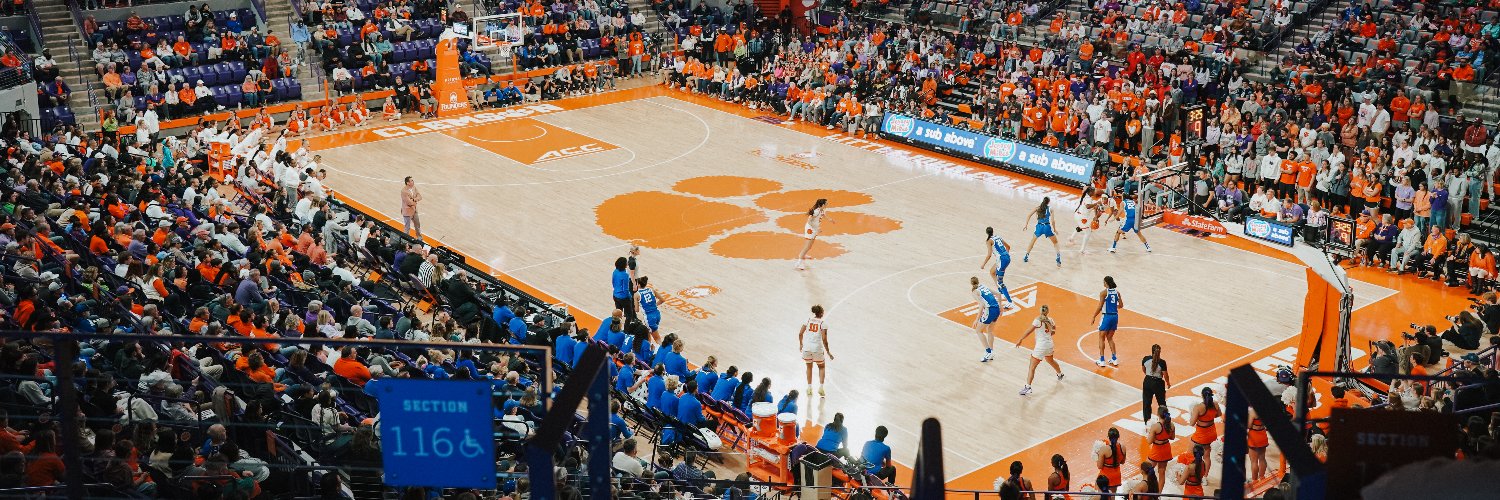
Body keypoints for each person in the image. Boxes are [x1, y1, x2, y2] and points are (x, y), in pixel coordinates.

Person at [1015, 304, 1064, 396]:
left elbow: (1028, 331)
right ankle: (1060, 374)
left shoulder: (1037, 320)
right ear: (1048, 311)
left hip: (1041, 346)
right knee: (1050, 360)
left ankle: (1028, 387)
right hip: (1049, 344)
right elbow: (1053, 332)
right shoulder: (1051, 320)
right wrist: (1046, 335)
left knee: (1032, 367)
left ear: (1040, 311)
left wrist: (1021, 339)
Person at [798, 304, 833, 397]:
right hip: (817, 348)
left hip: (806, 348)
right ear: (821, 313)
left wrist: (801, 344)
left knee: (809, 367)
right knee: (821, 367)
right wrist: (828, 352)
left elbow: (800, 333)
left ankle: (809, 388)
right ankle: (821, 387)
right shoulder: (823, 324)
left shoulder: (807, 320)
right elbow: (824, 339)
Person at [1090, 276, 1123, 367]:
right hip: (1115, 316)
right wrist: (1113, 307)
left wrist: (1094, 316)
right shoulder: (1117, 292)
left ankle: (1102, 360)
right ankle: (1114, 359)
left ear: (1106, 283)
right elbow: (1121, 305)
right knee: (1110, 338)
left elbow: (1100, 307)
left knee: (1101, 337)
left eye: (1104, 282)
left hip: (1107, 317)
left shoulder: (1103, 293)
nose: (1103, 283)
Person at [1022, 196, 1063, 267]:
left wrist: (1026, 225)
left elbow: (1028, 215)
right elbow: (1053, 221)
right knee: (1055, 242)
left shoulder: (1037, 208)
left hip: (1039, 227)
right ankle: (1058, 257)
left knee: (1032, 242)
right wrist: (1054, 229)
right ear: (1048, 202)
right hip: (1047, 227)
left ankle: (1026, 256)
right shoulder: (1051, 209)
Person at [980, 227, 1015, 305]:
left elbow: (989, 255)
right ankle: (1001, 292)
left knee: (1000, 282)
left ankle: (1010, 302)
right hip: (1006, 257)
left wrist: (983, 264)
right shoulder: (997, 237)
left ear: (986, 233)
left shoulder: (989, 241)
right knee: (992, 272)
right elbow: (1008, 247)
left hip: (1002, 260)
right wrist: (1005, 256)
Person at [971, 276, 1001, 362]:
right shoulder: (983, 286)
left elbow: (981, 304)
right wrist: (1001, 306)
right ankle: (991, 352)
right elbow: (998, 294)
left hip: (990, 310)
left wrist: (977, 319)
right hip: (997, 309)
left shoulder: (975, 292)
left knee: (978, 330)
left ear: (971, 284)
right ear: (978, 281)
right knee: (990, 331)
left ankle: (988, 352)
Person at [795, 198, 830, 270]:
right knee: (807, 246)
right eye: (826, 203)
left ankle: (804, 255)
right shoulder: (816, 212)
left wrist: (830, 219)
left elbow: (823, 215)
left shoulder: (822, 210)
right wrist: (816, 228)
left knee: (810, 246)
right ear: (822, 205)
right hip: (810, 229)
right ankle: (799, 262)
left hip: (815, 229)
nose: (827, 204)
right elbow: (809, 221)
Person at [1145, 406, 1174, 486]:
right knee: (1162, 473)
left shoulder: (1155, 426)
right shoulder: (1171, 425)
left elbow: (1149, 441)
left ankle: (1148, 489)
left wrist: (1149, 433)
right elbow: (1172, 437)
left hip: (1157, 450)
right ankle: (1159, 493)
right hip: (1166, 449)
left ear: (1158, 414)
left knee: (1146, 470)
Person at [1141, 344, 1170, 422]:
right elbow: (1165, 375)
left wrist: (1149, 376)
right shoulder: (1162, 362)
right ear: (1159, 352)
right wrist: (1168, 383)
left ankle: (1147, 422)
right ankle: (1166, 420)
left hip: (1147, 381)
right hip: (1158, 383)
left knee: (1146, 403)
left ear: (1152, 351)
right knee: (1162, 403)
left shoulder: (1145, 359)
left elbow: (1143, 369)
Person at [1095, 427, 1124, 492]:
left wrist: (1097, 456)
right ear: (1118, 436)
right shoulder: (1123, 447)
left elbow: (1099, 466)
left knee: (1101, 495)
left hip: (1104, 478)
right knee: (1112, 496)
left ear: (1108, 437)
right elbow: (1122, 462)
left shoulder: (1104, 449)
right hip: (1116, 477)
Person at [635, 276, 661, 343]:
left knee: (657, 338)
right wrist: (654, 305)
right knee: (647, 334)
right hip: (657, 314)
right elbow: (662, 300)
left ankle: (663, 349)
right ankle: (649, 347)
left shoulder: (637, 294)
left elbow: (637, 310)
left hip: (649, 317)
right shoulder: (651, 290)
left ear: (639, 285)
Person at [1248, 407, 1269, 482]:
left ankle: (1254, 480)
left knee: (1254, 461)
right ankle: (1262, 478)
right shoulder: (1266, 410)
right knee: (1262, 458)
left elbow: (1248, 425)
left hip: (1254, 436)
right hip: (1263, 435)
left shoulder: (1253, 411)